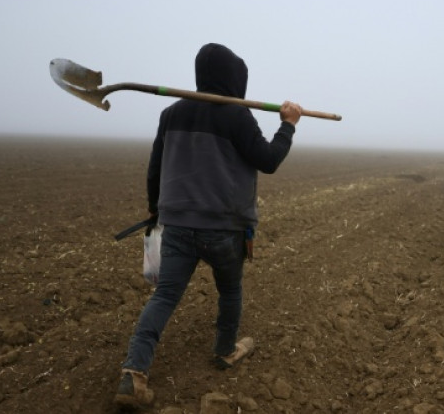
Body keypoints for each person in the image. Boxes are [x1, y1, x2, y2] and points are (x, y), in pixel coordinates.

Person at [115, 43, 303, 408]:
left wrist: (155, 211)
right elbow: (268, 161)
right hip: (225, 229)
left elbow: (155, 167)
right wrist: (288, 126)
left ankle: (133, 373)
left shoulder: (171, 114)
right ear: (235, 78)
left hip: (178, 225)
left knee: (165, 296)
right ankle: (225, 349)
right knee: (229, 291)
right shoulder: (236, 116)